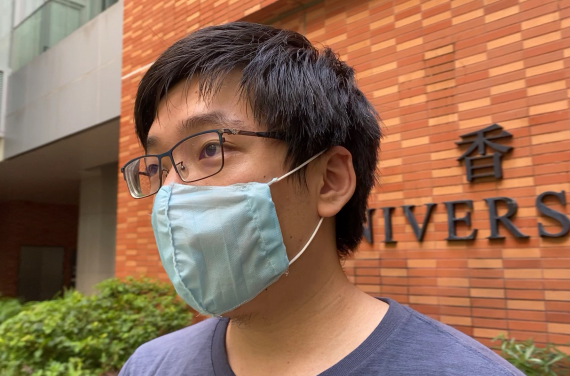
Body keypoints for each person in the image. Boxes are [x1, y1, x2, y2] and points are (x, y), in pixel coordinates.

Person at [118, 22, 522, 376]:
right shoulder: (150, 365)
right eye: (159, 166)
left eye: (209, 148)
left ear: (329, 180)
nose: (170, 192)